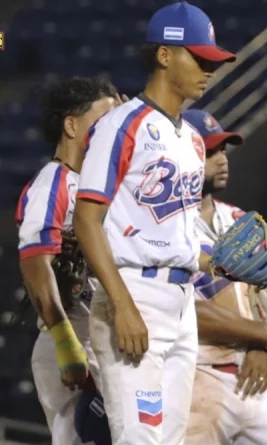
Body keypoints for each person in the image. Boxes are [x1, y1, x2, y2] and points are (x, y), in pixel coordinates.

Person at [72, 2, 236, 444]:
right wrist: (122, 305)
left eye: (212, 61)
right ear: (165, 55)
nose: (209, 69)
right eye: (199, 58)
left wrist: (223, 265)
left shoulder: (193, 140)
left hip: (182, 304)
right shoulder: (122, 125)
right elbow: (86, 220)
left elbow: (177, 240)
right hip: (134, 292)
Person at [182, 109, 267, 444]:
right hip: (193, 379)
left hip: (252, 375)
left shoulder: (238, 221)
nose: (222, 160)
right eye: (209, 152)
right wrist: (264, 335)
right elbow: (177, 310)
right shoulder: (163, 227)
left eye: (223, 150)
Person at [16, 75, 120, 445]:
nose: (111, 129)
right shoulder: (54, 180)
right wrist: (64, 342)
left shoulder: (102, 184)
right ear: (71, 125)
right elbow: (34, 261)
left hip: (105, 336)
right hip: (73, 337)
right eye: (102, 119)